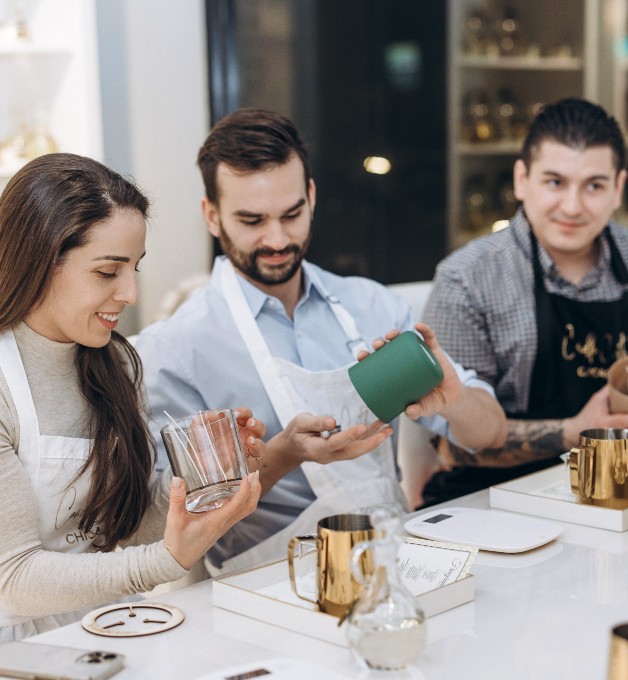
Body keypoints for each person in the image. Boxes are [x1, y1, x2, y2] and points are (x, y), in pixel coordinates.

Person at [135, 108, 507, 575]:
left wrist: (454, 399)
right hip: (266, 583)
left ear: (311, 196)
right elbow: (174, 519)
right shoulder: (174, 350)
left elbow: (490, 432)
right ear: (211, 215)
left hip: (395, 559)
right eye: (252, 221)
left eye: (292, 214)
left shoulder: (373, 305)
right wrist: (284, 454)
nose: (276, 239)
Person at [0, 153, 264, 641]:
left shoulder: (117, 363)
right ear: (39, 260)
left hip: (107, 627)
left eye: (135, 268)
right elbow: (13, 580)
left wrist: (200, 480)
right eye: (107, 272)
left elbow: (127, 529)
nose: (131, 294)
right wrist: (164, 563)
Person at [421, 97, 628, 504]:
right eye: (555, 182)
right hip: (491, 502)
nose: (572, 207)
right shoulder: (467, 279)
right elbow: (449, 446)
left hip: (626, 495)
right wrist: (575, 431)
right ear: (522, 179)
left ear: (618, 189)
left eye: (594, 186)